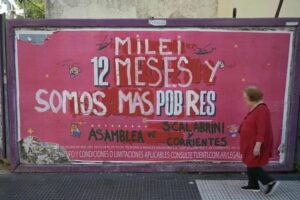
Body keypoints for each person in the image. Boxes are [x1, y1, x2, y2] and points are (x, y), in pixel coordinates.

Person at [239, 86, 279, 195]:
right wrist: (238, 128)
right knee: (250, 161)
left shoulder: (261, 109)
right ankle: (253, 184)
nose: (244, 99)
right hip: (250, 142)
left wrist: (258, 145)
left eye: (245, 97)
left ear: (253, 97)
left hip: (256, 142)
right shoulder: (254, 108)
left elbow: (262, 129)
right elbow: (248, 123)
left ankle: (269, 181)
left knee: (252, 163)